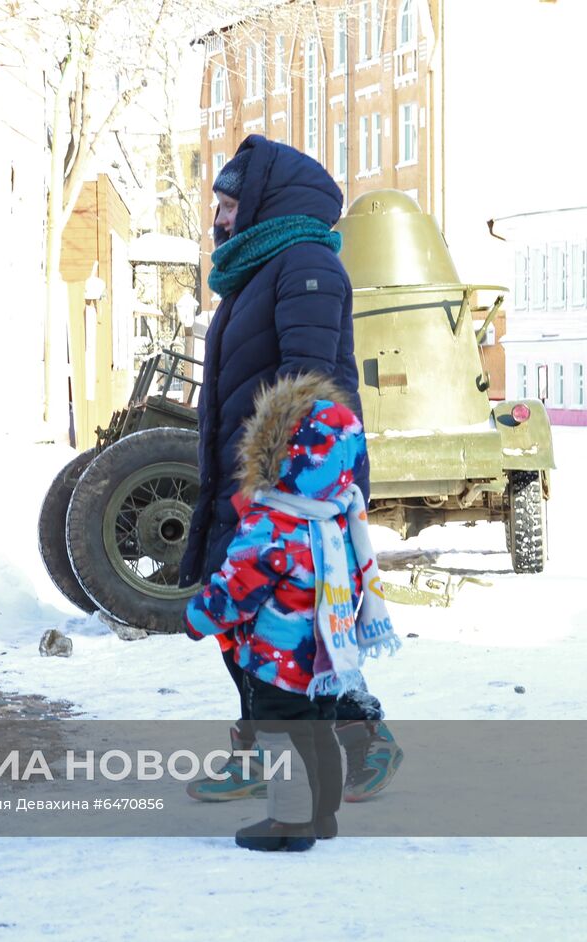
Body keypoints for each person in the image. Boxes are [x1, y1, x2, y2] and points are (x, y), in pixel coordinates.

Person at [178, 134, 403, 802]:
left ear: (264, 202)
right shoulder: (262, 270)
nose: (218, 217)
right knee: (248, 626)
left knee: (281, 625)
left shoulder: (305, 265)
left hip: (290, 492)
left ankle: (360, 739)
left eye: (228, 203)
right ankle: (264, 753)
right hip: (249, 483)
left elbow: (310, 387)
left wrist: (286, 496)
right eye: (218, 203)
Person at [186, 373, 399, 850]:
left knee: (282, 739)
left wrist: (197, 618)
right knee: (318, 733)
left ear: (278, 453)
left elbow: (236, 590)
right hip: (324, 658)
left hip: (277, 661)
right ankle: (323, 816)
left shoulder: (272, 522)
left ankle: (290, 822)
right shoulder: (339, 517)